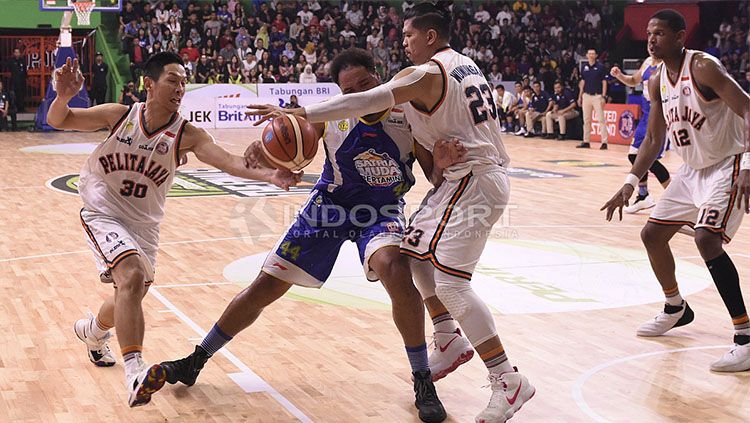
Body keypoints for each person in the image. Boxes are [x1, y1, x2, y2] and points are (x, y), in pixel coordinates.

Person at [248, 3, 535, 421]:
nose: (403, 43)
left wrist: (299, 112)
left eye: (408, 36)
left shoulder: (426, 73)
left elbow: (371, 98)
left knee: (453, 285)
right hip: (461, 178)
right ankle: (447, 337)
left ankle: (507, 379)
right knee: (411, 251)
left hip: (477, 181)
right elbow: (445, 140)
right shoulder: (466, 67)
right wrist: (439, 152)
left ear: (430, 37)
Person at [159, 48, 475, 422]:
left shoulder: (407, 115)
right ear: (339, 91)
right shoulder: (331, 114)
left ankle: (423, 378)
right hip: (329, 207)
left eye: (365, 83)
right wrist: (264, 151)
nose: (357, 91)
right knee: (265, 287)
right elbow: (288, 140)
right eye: (348, 88)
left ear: (378, 77)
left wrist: (440, 165)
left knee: (394, 268)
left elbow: (432, 175)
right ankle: (197, 359)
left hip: (381, 210)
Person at [47, 52, 300, 407]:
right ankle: (135, 371)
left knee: (130, 291)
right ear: (148, 84)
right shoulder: (119, 116)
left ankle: (93, 332)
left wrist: (270, 175)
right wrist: (62, 97)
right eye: (172, 80)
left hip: (145, 224)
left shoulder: (188, 135)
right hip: (102, 211)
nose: (180, 88)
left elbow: (227, 162)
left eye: (184, 81)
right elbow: (61, 120)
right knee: (131, 278)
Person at [602, 9, 750, 372]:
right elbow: (653, 138)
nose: (651, 39)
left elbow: (748, 108)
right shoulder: (656, 80)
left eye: (660, 34)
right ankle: (675, 308)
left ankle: (745, 337)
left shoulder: (702, 68)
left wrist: (748, 164)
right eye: (649, 33)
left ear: (681, 37)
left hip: (727, 163)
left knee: (706, 240)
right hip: (691, 169)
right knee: (651, 235)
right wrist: (629, 182)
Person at [610, 52, 671, 213]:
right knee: (634, 156)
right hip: (645, 116)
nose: (651, 44)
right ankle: (643, 195)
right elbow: (633, 81)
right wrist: (620, 75)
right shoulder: (648, 62)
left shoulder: (667, 65)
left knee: (649, 160)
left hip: (659, 116)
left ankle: (674, 196)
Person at [577, 48, 608, 149]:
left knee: (601, 119)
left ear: (596, 56)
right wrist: (580, 96)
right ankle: (586, 141)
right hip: (586, 95)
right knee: (586, 120)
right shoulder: (584, 67)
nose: (591, 55)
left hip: (597, 96)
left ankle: (604, 142)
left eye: (593, 54)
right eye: (589, 54)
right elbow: (582, 83)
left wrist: (603, 96)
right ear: (586, 55)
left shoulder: (600, 67)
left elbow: (604, 82)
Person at [9, 48, 27, 112]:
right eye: (15, 52)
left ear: (20, 53)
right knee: (15, 95)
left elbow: (25, 71)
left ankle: (22, 108)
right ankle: (15, 108)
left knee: (22, 94)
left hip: (22, 81)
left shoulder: (22, 60)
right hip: (14, 81)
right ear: (14, 53)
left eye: (18, 52)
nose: (17, 54)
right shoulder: (11, 61)